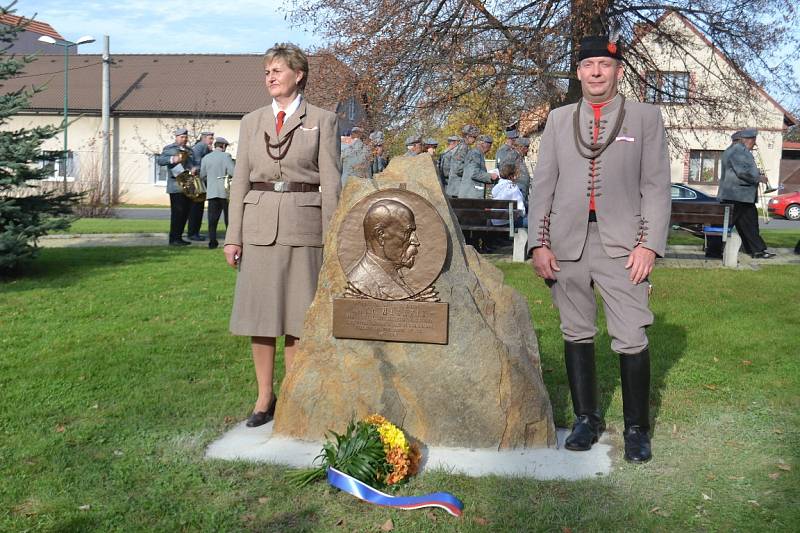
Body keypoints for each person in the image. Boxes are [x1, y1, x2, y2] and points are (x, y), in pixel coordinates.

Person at [529, 35, 671, 463]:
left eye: (604, 66)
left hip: (623, 245)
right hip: (567, 242)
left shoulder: (645, 117)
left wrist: (649, 245)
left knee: (630, 336)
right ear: (578, 72)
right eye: (588, 65)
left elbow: (657, 187)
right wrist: (539, 242)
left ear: (618, 70)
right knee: (576, 332)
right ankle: (586, 420)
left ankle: (636, 429)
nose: (595, 72)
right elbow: (544, 184)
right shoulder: (557, 120)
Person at [224, 43, 341, 428]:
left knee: (296, 318)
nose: (270, 77)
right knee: (260, 318)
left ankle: (292, 394)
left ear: (298, 74)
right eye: (267, 72)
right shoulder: (251, 120)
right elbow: (240, 180)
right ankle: (264, 397)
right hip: (257, 227)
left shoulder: (323, 120)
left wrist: (333, 239)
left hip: (303, 227)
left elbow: (331, 181)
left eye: (277, 70)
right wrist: (233, 236)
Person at [716, 129, 776, 259]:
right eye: (754, 141)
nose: (754, 144)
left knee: (745, 225)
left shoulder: (730, 151)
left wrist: (756, 174)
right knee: (748, 224)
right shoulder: (740, 151)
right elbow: (742, 172)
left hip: (735, 195)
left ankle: (756, 250)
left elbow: (739, 171)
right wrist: (758, 178)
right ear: (747, 139)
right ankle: (756, 250)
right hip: (739, 196)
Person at [347, 199, 420, 300]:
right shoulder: (362, 282)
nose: (416, 241)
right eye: (408, 232)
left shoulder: (393, 274)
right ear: (380, 236)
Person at [157, 127, 198, 246]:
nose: (184, 139)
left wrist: (195, 168)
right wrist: (172, 159)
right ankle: (173, 238)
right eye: (182, 137)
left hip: (188, 185)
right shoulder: (170, 149)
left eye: (186, 137)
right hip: (176, 186)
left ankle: (179, 237)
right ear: (176, 137)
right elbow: (160, 160)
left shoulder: (190, 150)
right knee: (177, 213)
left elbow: (194, 164)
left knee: (185, 212)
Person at [200, 137, 235, 249]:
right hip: (225, 192)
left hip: (211, 191)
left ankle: (212, 242)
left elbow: (202, 175)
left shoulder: (206, 157)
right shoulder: (226, 156)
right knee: (228, 218)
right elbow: (233, 172)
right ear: (223, 146)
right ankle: (229, 241)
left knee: (212, 219)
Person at [187, 131, 214, 241]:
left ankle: (194, 232)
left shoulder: (202, 146)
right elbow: (198, 163)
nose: (212, 141)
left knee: (197, 209)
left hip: (199, 181)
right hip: (197, 182)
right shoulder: (201, 146)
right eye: (210, 138)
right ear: (204, 138)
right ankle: (193, 233)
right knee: (196, 209)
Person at [458, 134, 499, 199]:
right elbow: (474, 173)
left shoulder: (478, 154)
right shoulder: (475, 154)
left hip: (471, 195)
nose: (490, 148)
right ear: (483, 144)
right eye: (489, 145)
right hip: (470, 196)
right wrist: (490, 176)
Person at [446, 125, 479, 197]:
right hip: (457, 189)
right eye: (473, 137)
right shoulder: (463, 148)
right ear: (467, 136)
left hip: (458, 188)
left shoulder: (463, 146)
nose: (475, 139)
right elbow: (458, 169)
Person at [490, 162, 526, 227]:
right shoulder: (513, 187)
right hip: (508, 222)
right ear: (511, 176)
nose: (516, 177)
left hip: (495, 222)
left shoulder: (496, 187)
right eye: (515, 175)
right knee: (531, 221)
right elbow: (521, 210)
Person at [513, 137, 532, 206]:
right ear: (521, 147)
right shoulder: (513, 156)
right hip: (518, 191)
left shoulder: (520, 157)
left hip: (522, 192)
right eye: (527, 147)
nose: (528, 150)